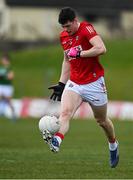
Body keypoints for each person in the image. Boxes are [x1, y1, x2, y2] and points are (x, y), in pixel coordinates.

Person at [43, 7, 119, 168]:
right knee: (65, 113)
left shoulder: (86, 29)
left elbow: (101, 49)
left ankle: (113, 144)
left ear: (75, 21)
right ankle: (57, 140)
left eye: (68, 26)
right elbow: (66, 60)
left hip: (94, 82)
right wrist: (62, 84)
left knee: (102, 121)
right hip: (75, 83)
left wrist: (80, 53)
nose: (66, 30)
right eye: (63, 27)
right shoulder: (63, 36)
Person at [0, 54, 16, 121]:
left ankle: (13, 115)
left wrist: (3, 76)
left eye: (3, 59)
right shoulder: (1, 68)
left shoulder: (10, 68)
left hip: (7, 87)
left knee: (9, 101)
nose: (1, 61)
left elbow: (11, 77)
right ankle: (1, 112)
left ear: (6, 60)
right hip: (1, 86)